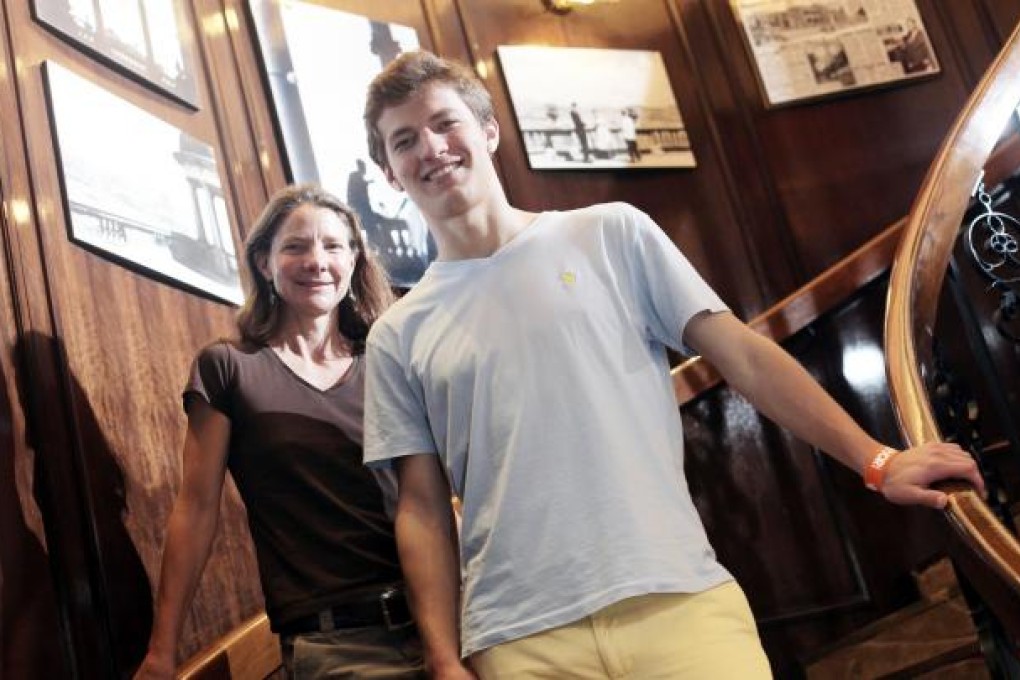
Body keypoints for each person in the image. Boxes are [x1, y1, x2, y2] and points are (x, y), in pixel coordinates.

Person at [360, 50, 984, 679]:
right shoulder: (396, 335)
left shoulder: (610, 233)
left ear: (488, 130)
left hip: (678, 601)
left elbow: (743, 356)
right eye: (405, 140)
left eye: (445, 123)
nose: (431, 148)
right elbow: (421, 507)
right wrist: (442, 657)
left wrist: (879, 461)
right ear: (389, 173)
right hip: (518, 640)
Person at [134, 184, 425, 679]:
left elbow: (429, 496)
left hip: (441, 615)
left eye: (333, 246)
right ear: (265, 264)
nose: (317, 260)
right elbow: (196, 509)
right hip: (336, 644)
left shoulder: (389, 363)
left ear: (354, 260)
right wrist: (162, 653)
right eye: (295, 246)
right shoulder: (228, 368)